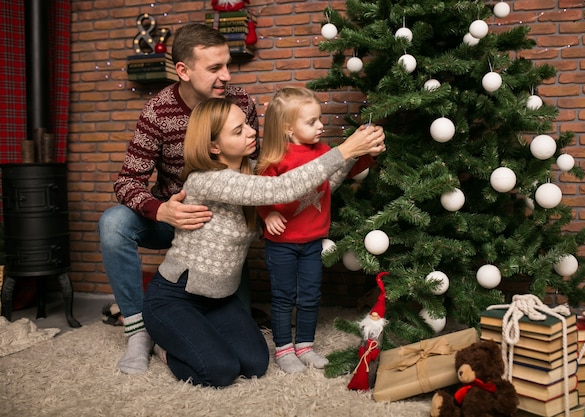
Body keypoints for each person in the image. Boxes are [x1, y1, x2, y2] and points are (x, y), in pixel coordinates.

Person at [142, 98, 386, 387]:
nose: (250, 132)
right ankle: (165, 347)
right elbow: (281, 188)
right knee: (220, 371)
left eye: (246, 124)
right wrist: (344, 150)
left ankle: (197, 334)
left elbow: (314, 187)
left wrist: (351, 157)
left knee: (255, 365)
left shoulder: (253, 169)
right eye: (237, 131)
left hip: (220, 300)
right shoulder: (205, 180)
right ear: (213, 146)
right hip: (176, 297)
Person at [98, 23, 259, 375]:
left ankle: (179, 334)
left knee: (242, 344)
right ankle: (139, 331)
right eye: (215, 68)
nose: (226, 76)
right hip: (173, 219)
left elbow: (253, 167)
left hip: (221, 231)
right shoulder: (157, 112)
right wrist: (162, 211)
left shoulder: (241, 103)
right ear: (183, 71)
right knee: (113, 224)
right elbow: (127, 181)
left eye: (227, 65)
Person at [255, 87, 378, 373]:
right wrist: (268, 213)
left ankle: (305, 347)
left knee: (310, 295)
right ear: (288, 128)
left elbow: (346, 166)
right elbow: (258, 192)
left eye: (319, 119)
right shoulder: (274, 159)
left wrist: (367, 153)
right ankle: (284, 350)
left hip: (313, 241)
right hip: (282, 243)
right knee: (284, 296)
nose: (321, 125)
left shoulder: (324, 152)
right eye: (311, 122)